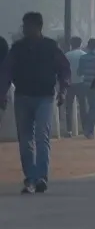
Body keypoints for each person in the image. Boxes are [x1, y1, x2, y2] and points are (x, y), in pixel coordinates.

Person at [0, 11, 72, 194]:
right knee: (25, 141)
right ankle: (30, 178)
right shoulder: (17, 48)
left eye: (28, 26)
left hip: (45, 98)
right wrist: (2, 94)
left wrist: (63, 91)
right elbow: (6, 72)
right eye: (24, 26)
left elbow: (64, 69)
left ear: (38, 27)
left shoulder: (50, 47)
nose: (25, 29)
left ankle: (41, 177)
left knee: (42, 137)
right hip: (23, 97)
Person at [78, 39, 95, 137]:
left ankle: (89, 129)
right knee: (94, 108)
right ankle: (89, 129)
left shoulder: (83, 58)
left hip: (85, 85)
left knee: (90, 107)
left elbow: (79, 72)